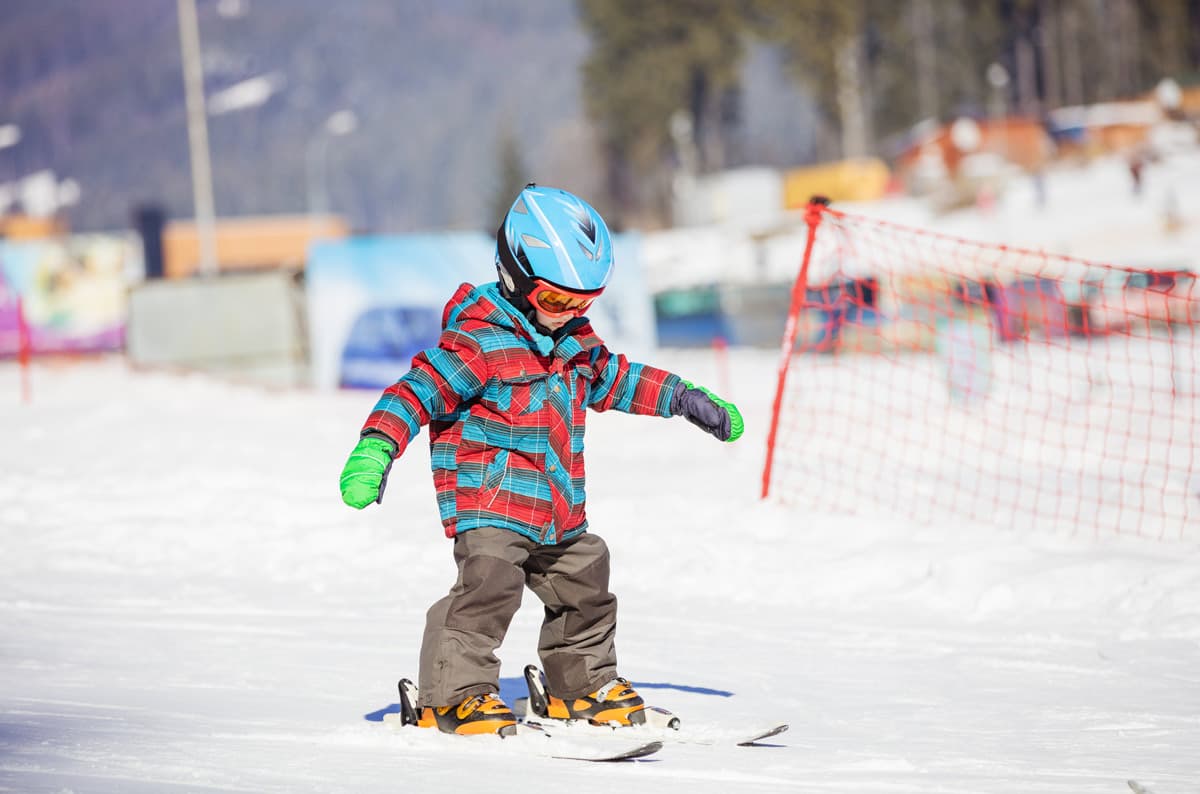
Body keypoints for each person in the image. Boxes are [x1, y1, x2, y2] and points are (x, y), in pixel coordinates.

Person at [339, 184, 743, 737]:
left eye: (582, 303)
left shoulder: (575, 344)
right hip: (491, 502)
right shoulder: (478, 346)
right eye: (556, 301)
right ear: (514, 277)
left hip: (557, 507)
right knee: (489, 584)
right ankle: (453, 695)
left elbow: (620, 379)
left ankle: (580, 687)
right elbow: (415, 392)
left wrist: (683, 397)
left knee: (586, 578)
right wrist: (377, 446)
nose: (569, 314)